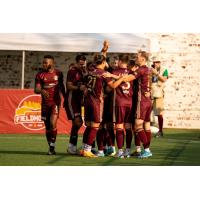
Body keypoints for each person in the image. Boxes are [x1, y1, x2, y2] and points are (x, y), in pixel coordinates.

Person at [80, 54, 127, 158]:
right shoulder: (103, 73)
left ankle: (83, 148)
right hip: (97, 102)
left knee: (89, 125)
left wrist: (113, 76)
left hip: (88, 101)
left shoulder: (91, 70)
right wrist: (121, 78)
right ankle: (87, 150)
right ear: (103, 62)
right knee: (95, 126)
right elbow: (113, 86)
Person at [123, 51, 158, 158]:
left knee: (138, 125)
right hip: (148, 100)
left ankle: (146, 150)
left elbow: (127, 79)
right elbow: (153, 82)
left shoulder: (141, 69)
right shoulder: (149, 69)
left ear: (142, 59)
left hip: (141, 100)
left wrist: (112, 75)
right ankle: (145, 150)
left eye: (137, 57)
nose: (136, 58)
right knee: (146, 125)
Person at [34, 55, 65, 155]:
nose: (43, 64)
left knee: (53, 123)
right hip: (45, 104)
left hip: (55, 102)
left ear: (52, 63)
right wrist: (42, 90)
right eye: (43, 63)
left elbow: (62, 87)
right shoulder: (40, 75)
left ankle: (52, 145)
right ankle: (51, 146)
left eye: (45, 63)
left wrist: (65, 98)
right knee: (47, 127)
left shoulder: (59, 73)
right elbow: (36, 89)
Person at [109, 54, 134, 158]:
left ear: (119, 61)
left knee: (119, 126)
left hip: (119, 102)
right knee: (128, 127)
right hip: (130, 103)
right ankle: (127, 151)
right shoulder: (131, 73)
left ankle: (119, 152)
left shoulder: (114, 72)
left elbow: (112, 86)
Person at [64, 54, 87, 154]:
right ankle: (71, 146)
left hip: (78, 101)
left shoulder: (83, 72)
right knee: (78, 122)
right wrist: (79, 88)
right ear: (76, 62)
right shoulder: (72, 71)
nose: (81, 65)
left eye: (83, 63)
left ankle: (72, 146)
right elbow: (68, 86)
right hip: (71, 100)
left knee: (78, 123)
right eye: (80, 63)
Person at [151, 59, 168, 137]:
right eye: (154, 62)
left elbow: (164, 79)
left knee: (159, 114)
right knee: (145, 112)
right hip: (149, 93)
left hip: (159, 94)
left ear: (160, 63)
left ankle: (160, 131)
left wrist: (156, 73)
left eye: (157, 62)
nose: (156, 63)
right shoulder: (149, 69)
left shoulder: (164, 70)